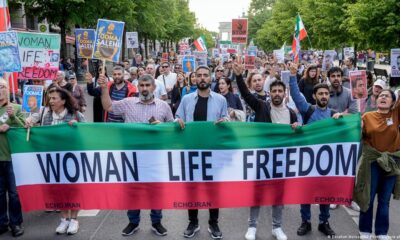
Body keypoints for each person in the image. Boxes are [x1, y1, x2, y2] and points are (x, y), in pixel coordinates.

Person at [99, 74, 173, 237]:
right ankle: (133, 222)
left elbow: (171, 130)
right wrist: (104, 89)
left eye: (147, 85)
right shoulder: (128, 103)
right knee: (133, 191)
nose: (144, 88)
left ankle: (156, 222)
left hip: (155, 158)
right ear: (138, 87)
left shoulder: (163, 106)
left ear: (154, 87)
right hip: (132, 158)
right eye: (142, 85)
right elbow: (108, 107)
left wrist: (163, 127)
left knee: (155, 191)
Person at [234, 61, 298, 240]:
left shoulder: (291, 113)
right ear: (270, 94)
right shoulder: (262, 106)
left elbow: (296, 137)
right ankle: (252, 227)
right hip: (262, 159)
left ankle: (277, 227)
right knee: (257, 193)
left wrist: (296, 128)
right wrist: (239, 76)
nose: (277, 94)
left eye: (280, 91)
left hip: (281, 161)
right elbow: (246, 95)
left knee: (278, 196)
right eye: (274, 91)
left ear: (284, 94)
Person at [289, 63, 342, 238]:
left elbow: (354, 122)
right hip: (307, 161)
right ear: (314, 96)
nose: (324, 96)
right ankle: (306, 221)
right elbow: (296, 96)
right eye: (321, 94)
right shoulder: (308, 109)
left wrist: (342, 118)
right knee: (306, 193)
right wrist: (293, 75)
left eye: (326, 94)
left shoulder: (334, 114)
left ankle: (324, 222)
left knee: (325, 194)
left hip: (327, 163)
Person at [175, 65, 228, 239]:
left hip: (213, 152)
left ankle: (214, 223)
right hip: (191, 151)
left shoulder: (220, 100)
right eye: (199, 75)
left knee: (213, 189)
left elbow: (226, 119)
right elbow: (178, 117)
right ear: (194, 78)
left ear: (210, 78)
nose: (203, 78)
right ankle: (193, 222)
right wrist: (178, 121)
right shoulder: (187, 99)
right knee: (192, 188)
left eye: (206, 75)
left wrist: (225, 120)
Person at [25, 87, 85, 235]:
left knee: (72, 190)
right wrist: (28, 121)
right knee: (58, 189)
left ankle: (74, 220)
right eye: (50, 98)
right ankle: (64, 219)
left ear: (63, 101)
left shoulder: (76, 114)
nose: (51, 101)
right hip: (52, 160)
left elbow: (87, 132)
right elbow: (29, 120)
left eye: (54, 98)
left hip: (72, 159)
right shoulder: (44, 113)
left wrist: (77, 128)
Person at [354, 89, 400, 240]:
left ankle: (382, 232)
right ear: (376, 100)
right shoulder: (367, 116)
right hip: (371, 163)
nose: (384, 97)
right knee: (368, 197)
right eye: (381, 95)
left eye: (387, 96)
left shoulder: (396, 114)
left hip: (391, 163)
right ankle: (365, 230)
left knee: (384, 200)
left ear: (393, 102)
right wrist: (354, 125)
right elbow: (356, 134)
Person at [0, 79, 25, 237]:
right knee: (0, 193)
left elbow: (25, 128)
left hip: (12, 157)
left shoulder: (15, 107)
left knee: (15, 193)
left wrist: (12, 120)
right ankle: (2, 222)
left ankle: (16, 223)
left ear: (8, 89)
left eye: (2, 87)